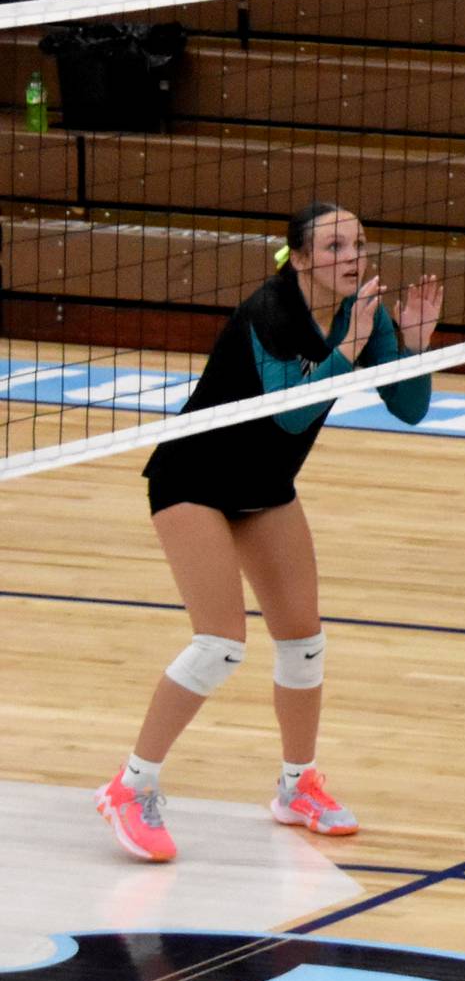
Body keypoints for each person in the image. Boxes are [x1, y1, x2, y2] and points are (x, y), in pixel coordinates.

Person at [94, 203, 443, 862]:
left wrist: (413, 347)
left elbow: (412, 408)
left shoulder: (361, 309)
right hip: (193, 479)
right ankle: (130, 785)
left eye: (360, 243)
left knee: (304, 641)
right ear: (303, 258)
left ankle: (296, 785)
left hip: (264, 487)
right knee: (220, 642)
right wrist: (348, 348)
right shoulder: (269, 314)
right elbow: (291, 416)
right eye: (336, 245)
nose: (353, 256)